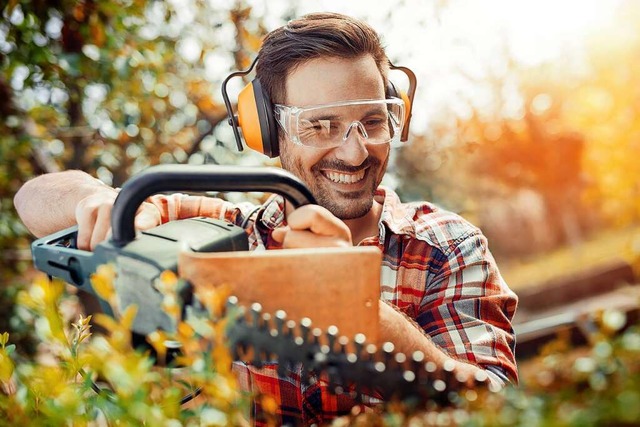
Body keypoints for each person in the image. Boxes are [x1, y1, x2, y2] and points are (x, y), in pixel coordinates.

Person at [14, 12, 518, 426]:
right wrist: (96, 198)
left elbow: (494, 407)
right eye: (320, 125)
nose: (355, 151)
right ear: (268, 134)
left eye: (371, 120)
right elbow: (33, 201)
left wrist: (349, 299)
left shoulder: (446, 246)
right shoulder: (219, 234)